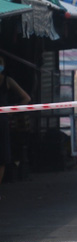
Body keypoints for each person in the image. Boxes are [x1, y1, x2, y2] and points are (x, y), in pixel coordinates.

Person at [0, 56, 31, 191]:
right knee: (2, 157)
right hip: (3, 121)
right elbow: (27, 98)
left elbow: (26, 98)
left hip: (2, 122)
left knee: (2, 158)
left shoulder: (7, 81)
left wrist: (12, 110)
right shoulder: (7, 80)